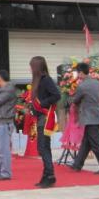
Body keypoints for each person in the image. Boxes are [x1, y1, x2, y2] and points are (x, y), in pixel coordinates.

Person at [70, 63, 99, 174]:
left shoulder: (82, 86)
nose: (77, 75)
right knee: (86, 142)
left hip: (89, 117)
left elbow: (76, 100)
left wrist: (71, 99)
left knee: (95, 143)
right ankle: (77, 165)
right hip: (97, 114)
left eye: (77, 73)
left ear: (81, 73)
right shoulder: (98, 83)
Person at [30, 57, 61, 188]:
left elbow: (56, 95)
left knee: (43, 147)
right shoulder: (37, 81)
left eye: (32, 66)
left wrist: (42, 104)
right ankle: (46, 174)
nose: (30, 69)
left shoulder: (46, 80)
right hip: (39, 117)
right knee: (42, 147)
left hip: (45, 117)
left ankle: (50, 175)